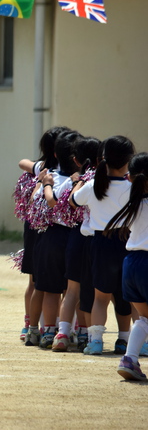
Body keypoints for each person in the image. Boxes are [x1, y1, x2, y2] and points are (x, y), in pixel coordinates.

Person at [70, 136, 135, 355]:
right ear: (128, 161)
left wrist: (78, 182)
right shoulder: (131, 186)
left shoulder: (92, 185)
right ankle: (125, 340)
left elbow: (73, 201)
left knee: (100, 297)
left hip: (100, 243)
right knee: (128, 297)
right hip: (127, 242)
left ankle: (96, 342)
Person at [28, 131, 82, 349]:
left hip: (50, 235)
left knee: (50, 288)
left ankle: (49, 330)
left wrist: (45, 183)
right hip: (75, 236)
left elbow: (33, 199)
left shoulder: (48, 176)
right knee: (74, 289)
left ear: (55, 155)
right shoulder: (82, 179)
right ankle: (75, 331)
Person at [16, 126, 70, 342]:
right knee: (56, 284)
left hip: (36, 228)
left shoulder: (44, 168)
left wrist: (39, 174)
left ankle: (31, 326)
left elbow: (23, 162)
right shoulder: (62, 172)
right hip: (51, 229)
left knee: (37, 282)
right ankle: (55, 326)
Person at [51, 136, 101, 352]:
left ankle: (62, 333)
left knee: (72, 289)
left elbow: (64, 205)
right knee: (92, 290)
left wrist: (74, 181)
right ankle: (88, 335)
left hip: (75, 236)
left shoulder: (77, 181)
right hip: (98, 237)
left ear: (76, 160)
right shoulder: (103, 179)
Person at [105, 153, 148, 380]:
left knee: (144, 320)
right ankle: (130, 359)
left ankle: (130, 359)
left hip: (131, 265)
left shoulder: (131, 203)